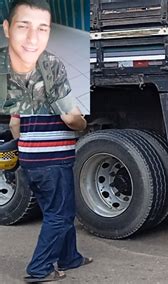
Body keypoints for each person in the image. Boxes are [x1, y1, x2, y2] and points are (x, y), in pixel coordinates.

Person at [1, 0, 91, 282]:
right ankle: (38, 269)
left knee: (58, 209)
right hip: (53, 160)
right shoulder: (53, 69)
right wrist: (83, 126)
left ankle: (70, 257)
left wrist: (26, 148)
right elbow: (70, 119)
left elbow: (15, 124)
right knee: (60, 215)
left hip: (31, 160)